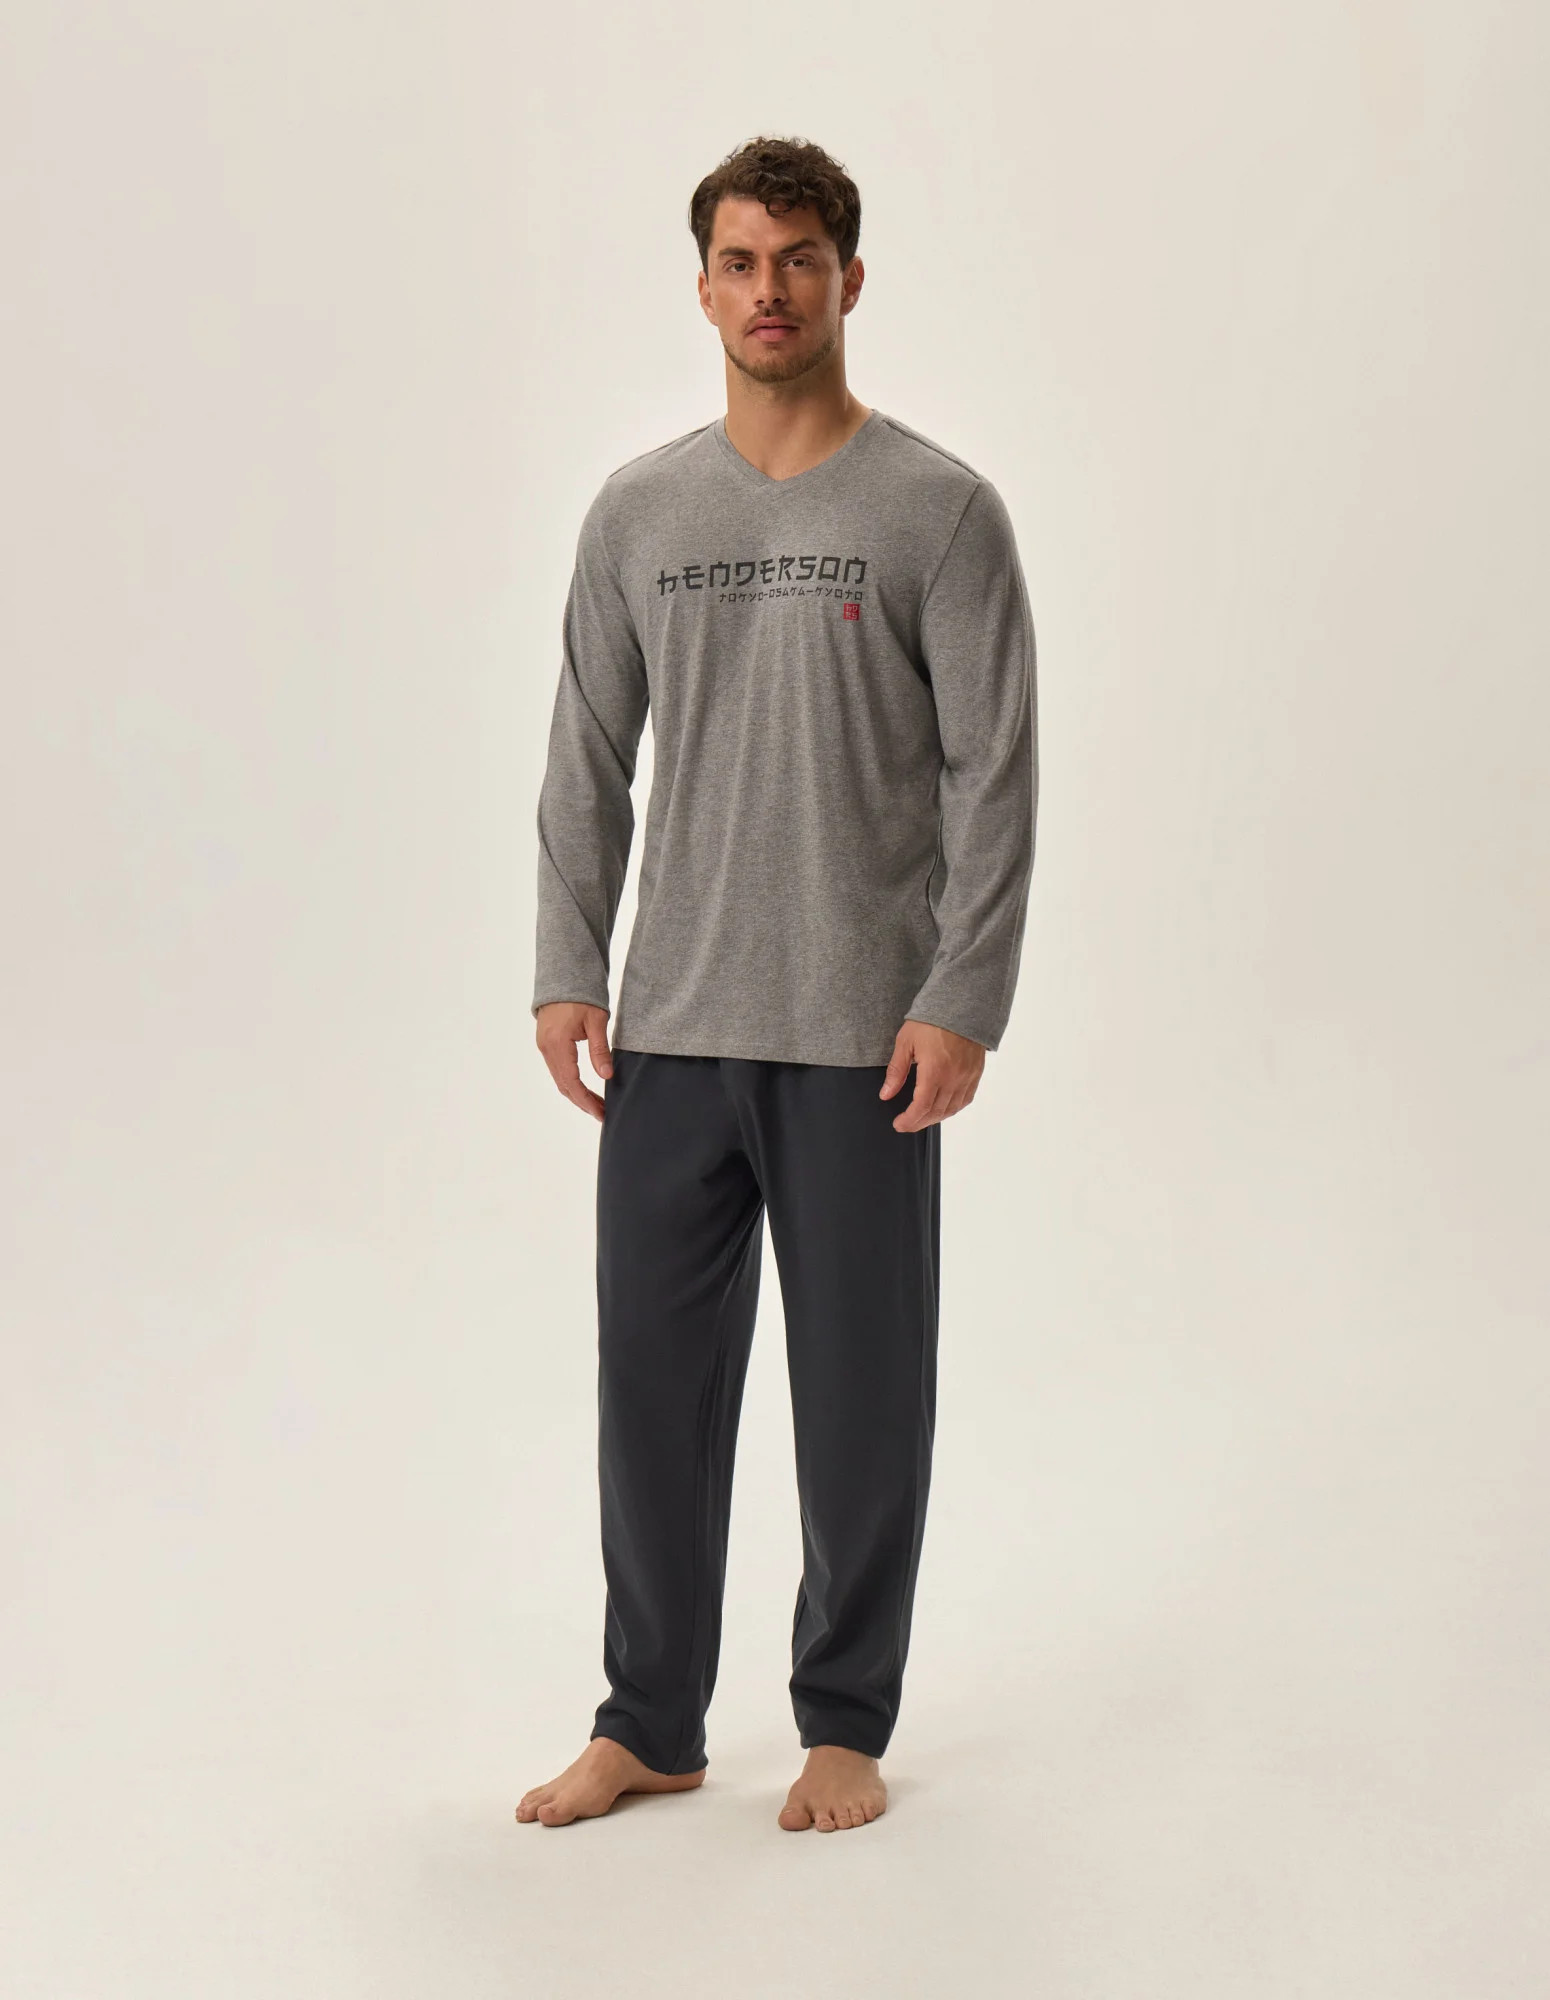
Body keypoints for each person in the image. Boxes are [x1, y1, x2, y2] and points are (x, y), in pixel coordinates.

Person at [517, 135, 1038, 1835]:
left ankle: (843, 1723)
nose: (769, 290)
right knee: (650, 1396)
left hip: (860, 1039)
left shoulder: (936, 511)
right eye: (740, 262)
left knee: (861, 1398)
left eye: (799, 260)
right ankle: (649, 1721)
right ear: (702, 287)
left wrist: (961, 993)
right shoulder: (639, 513)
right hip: (669, 1029)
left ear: (847, 280)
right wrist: (566, 965)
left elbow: (993, 774)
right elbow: (587, 757)